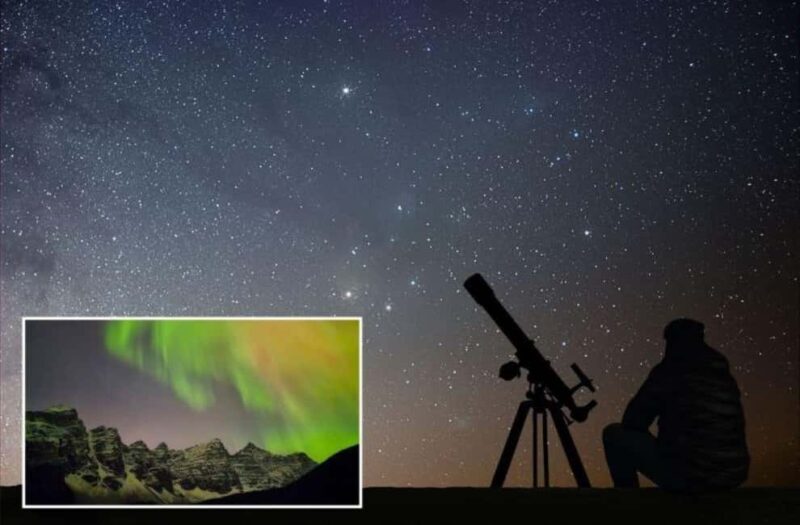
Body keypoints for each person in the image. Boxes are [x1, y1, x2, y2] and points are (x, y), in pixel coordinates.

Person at [602, 318, 749, 492]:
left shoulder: (670, 370)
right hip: (733, 476)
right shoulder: (721, 373)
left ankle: (628, 502)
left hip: (690, 477)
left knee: (614, 434)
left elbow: (633, 421)